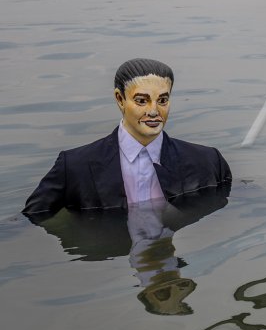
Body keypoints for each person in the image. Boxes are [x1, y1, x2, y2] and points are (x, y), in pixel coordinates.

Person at [23, 58, 232, 218]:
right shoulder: (74, 166)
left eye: (162, 100)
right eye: (141, 101)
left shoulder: (208, 161)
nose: (153, 111)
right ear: (120, 99)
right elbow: (30, 220)